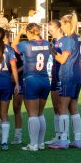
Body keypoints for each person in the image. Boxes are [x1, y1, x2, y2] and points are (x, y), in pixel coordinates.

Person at [12, 23, 50, 151]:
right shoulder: (46, 43)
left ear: (28, 32)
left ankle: (33, 145)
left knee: (32, 115)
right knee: (40, 114)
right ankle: (41, 143)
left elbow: (13, 46)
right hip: (45, 80)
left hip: (31, 80)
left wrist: (19, 33)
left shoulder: (26, 44)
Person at [49, 13, 81, 149]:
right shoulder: (77, 37)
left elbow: (62, 59)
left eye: (62, 24)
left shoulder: (68, 39)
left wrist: (52, 52)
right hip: (77, 76)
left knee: (62, 107)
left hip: (67, 76)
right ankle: (78, 139)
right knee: (73, 108)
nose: (60, 26)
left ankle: (63, 140)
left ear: (66, 24)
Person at [45, 19, 64, 146]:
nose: (49, 30)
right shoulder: (54, 41)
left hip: (62, 76)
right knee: (56, 108)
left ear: (57, 27)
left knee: (62, 108)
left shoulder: (65, 40)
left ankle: (63, 136)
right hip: (54, 75)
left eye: (50, 28)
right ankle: (58, 136)